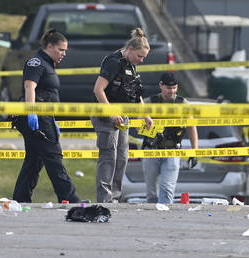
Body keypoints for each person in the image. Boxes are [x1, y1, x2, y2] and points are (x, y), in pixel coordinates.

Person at [12, 28, 81, 203]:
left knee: (34, 161)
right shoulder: (36, 62)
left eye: (65, 50)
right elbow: (30, 87)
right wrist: (32, 112)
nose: (64, 53)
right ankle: (70, 198)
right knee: (54, 156)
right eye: (61, 49)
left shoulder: (48, 63)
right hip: (38, 116)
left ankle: (20, 199)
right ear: (49, 46)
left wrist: (52, 119)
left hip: (45, 116)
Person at [91, 28, 153, 203]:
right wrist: (112, 114)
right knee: (108, 156)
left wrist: (145, 116)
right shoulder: (113, 62)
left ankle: (115, 197)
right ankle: (104, 199)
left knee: (122, 157)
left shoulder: (131, 66)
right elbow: (98, 90)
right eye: (139, 56)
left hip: (123, 116)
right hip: (105, 114)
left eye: (143, 58)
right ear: (131, 49)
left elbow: (135, 94)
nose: (141, 61)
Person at [141, 72, 199, 204]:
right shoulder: (150, 102)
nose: (171, 91)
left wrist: (194, 151)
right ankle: (151, 219)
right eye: (168, 88)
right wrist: (153, 130)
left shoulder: (183, 104)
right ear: (161, 85)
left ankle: (164, 217)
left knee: (167, 189)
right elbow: (138, 126)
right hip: (151, 150)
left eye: (174, 88)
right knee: (151, 192)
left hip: (173, 150)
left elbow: (191, 127)